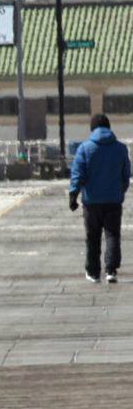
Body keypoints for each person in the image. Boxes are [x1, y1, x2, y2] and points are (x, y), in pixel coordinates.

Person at [70, 114, 131, 284]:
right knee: (112, 235)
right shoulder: (120, 149)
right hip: (113, 201)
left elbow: (78, 173)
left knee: (93, 237)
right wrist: (120, 192)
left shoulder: (85, 148)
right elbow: (126, 175)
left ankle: (93, 273)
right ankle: (111, 271)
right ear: (109, 128)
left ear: (92, 129)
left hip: (91, 202)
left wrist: (73, 195)